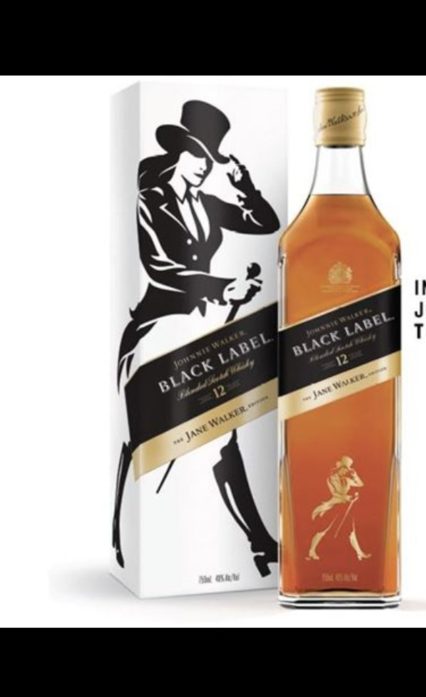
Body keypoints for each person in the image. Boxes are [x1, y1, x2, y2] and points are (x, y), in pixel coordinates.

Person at [112, 100, 279, 575]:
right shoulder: (151, 200)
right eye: (198, 155)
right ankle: (124, 539)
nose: (205, 166)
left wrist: (243, 183)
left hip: (203, 327)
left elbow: (266, 223)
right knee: (138, 438)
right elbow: (160, 270)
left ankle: (258, 541)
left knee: (224, 431)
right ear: (178, 153)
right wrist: (225, 287)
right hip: (157, 328)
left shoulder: (208, 205)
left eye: (211, 158)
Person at [307, 456, 371, 561]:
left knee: (351, 532)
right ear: (338, 468)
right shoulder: (330, 479)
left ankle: (359, 553)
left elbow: (360, 485)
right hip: (333, 506)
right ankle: (311, 551)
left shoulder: (347, 480)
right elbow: (334, 493)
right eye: (343, 468)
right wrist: (346, 497)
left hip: (345, 507)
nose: (345, 471)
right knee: (322, 529)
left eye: (347, 470)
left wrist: (355, 476)